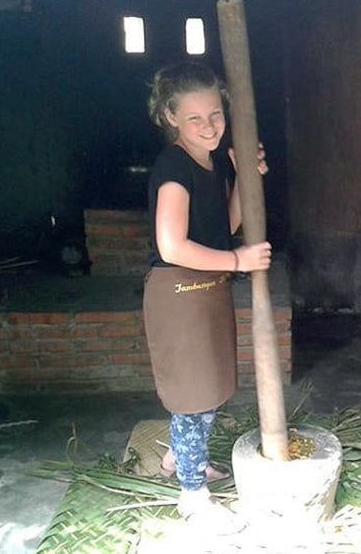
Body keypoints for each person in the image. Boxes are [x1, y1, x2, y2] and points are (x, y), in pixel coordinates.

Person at [143, 61, 271, 532]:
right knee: (191, 398)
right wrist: (238, 261)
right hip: (179, 294)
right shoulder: (173, 168)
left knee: (209, 388)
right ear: (171, 116)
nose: (209, 126)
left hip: (206, 288)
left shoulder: (211, 162)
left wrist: (244, 177)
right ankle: (193, 497)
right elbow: (171, 245)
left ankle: (182, 460)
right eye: (195, 118)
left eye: (215, 114)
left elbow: (227, 225)